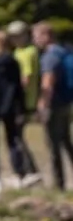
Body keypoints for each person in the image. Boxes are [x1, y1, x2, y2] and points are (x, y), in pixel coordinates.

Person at [0, 30, 32, 195]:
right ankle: (18, 174)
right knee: (12, 141)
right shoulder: (12, 61)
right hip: (8, 106)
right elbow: (18, 88)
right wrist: (22, 108)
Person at [34, 22, 73, 191]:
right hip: (67, 102)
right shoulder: (65, 51)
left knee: (53, 145)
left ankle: (59, 183)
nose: (35, 40)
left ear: (45, 36)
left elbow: (47, 83)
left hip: (54, 104)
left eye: (36, 36)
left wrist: (42, 105)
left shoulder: (49, 56)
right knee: (66, 141)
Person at [6, 21, 42, 187]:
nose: (15, 39)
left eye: (17, 36)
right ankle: (28, 170)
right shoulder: (18, 51)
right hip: (20, 101)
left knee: (16, 138)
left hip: (24, 102)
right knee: (17, 137)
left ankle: (29, 171)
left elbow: (26, 78)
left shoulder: (28, 53)